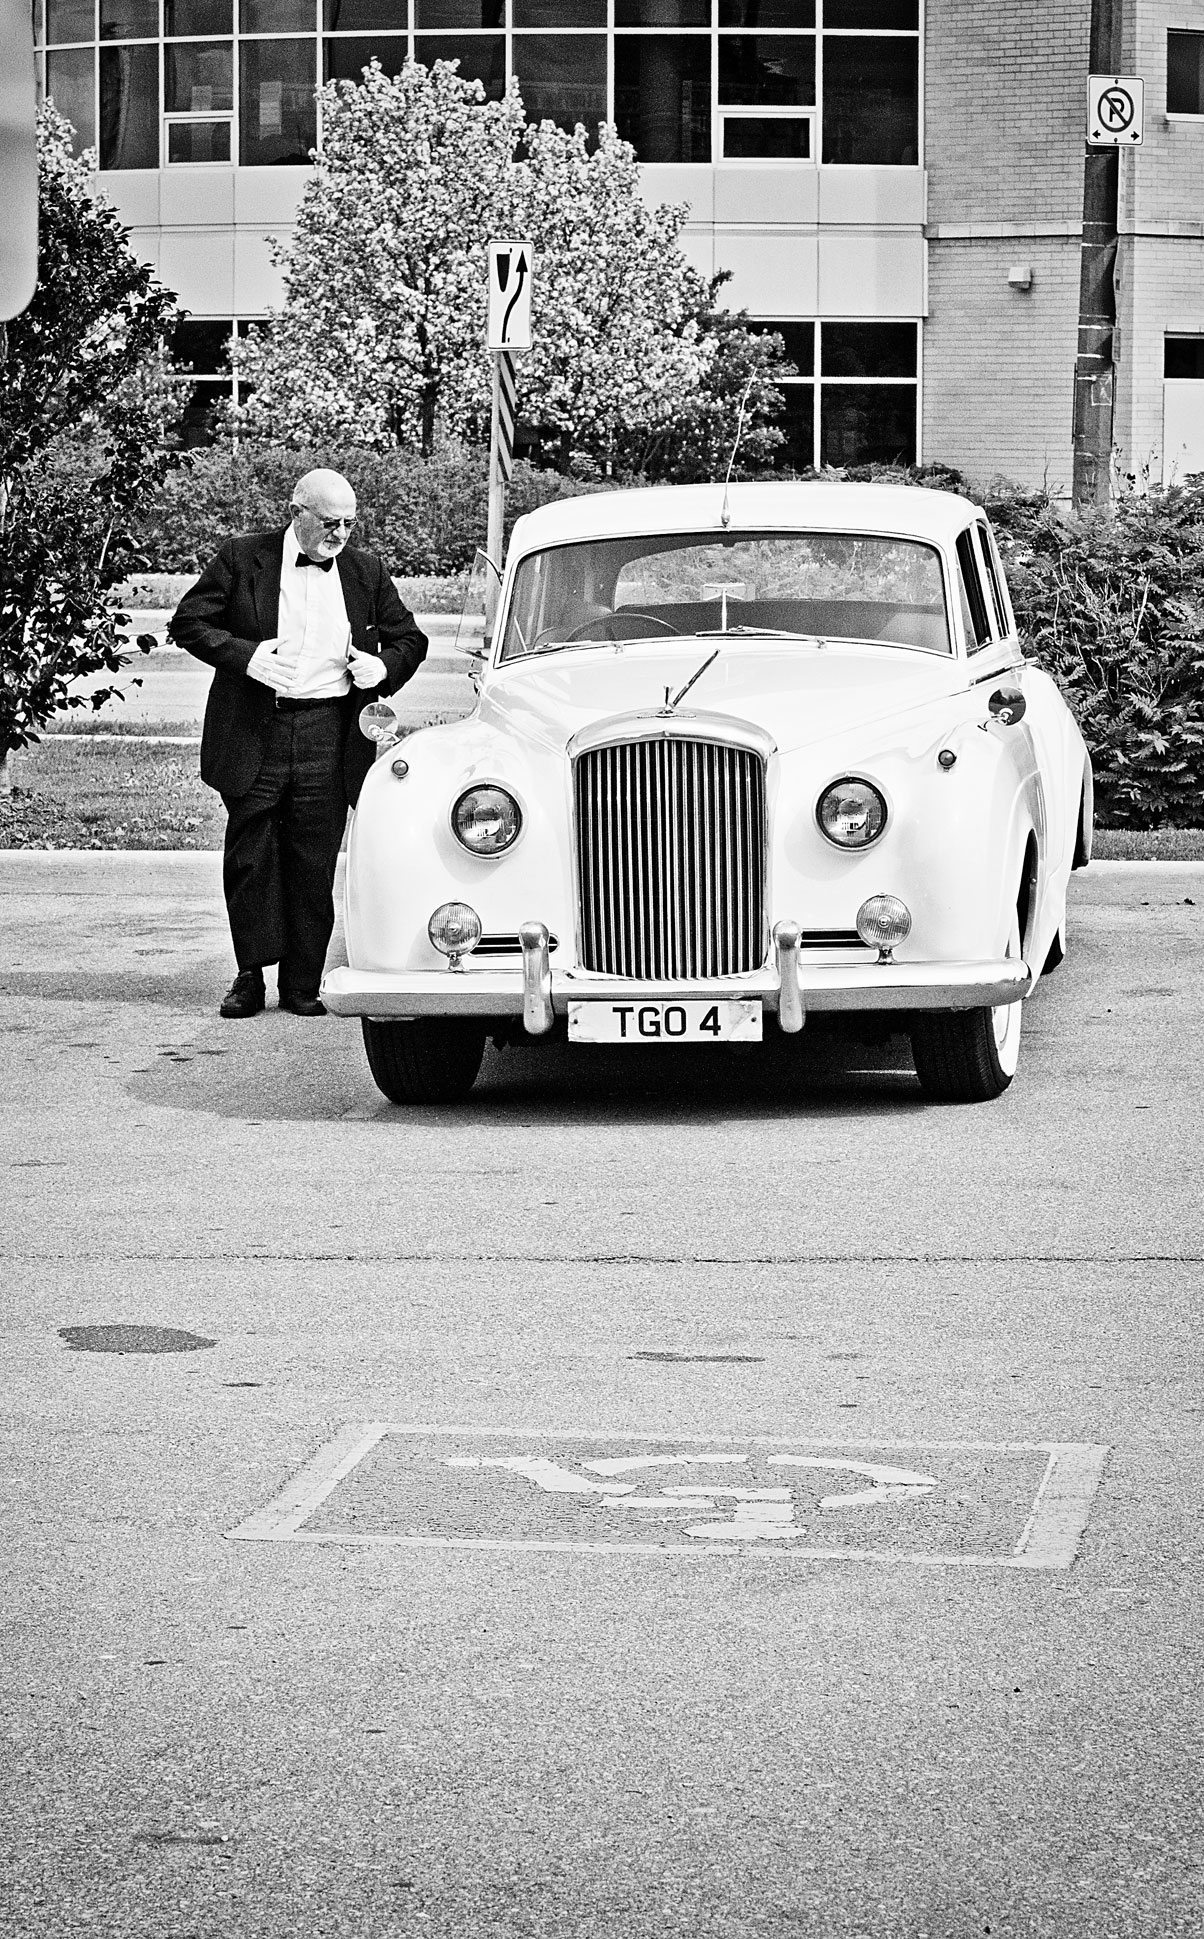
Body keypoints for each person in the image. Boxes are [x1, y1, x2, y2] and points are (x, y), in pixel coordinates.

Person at [169, 468, 427, 1018]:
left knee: (313, 863)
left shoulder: (365, 571)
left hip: (328, 733)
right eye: (329, 523)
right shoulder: (244, 558)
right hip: (256, 728)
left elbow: (412, 638)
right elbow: (188, 623)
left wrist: (380, 667)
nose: (339, 535)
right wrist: (246, 656)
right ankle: (249, 977)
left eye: (349, 525)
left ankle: (302, 983)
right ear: (297, 513)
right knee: (251, 859)